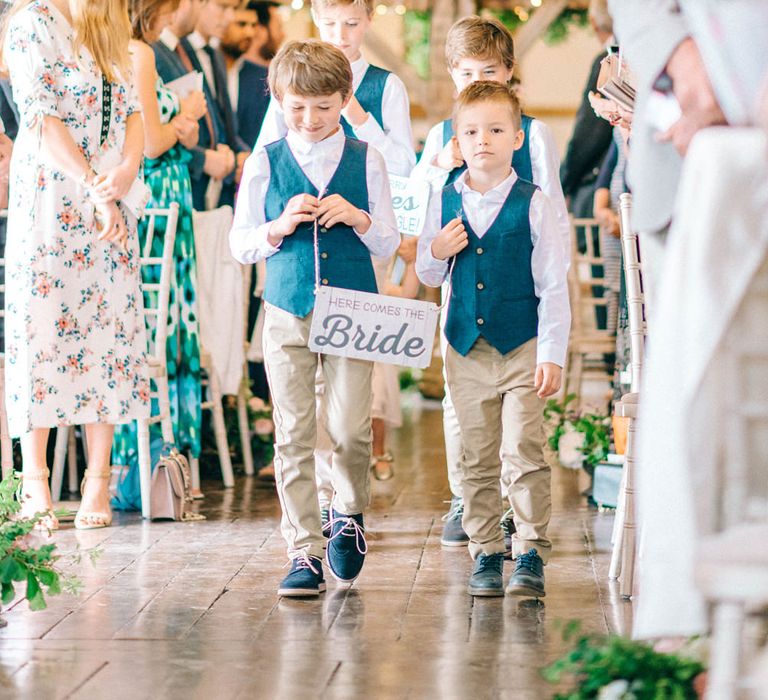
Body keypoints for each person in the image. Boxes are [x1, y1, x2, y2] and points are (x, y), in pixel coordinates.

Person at [229, 39, 399, 597]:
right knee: (293, 434)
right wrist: (276, 227)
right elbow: (241, 243)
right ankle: (302, 551)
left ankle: (346, 514)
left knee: (351, 430)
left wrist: (357, 217)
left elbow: (388, 243)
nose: (309, 118)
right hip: (286, 309)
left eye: (323, 107)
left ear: (343, 98)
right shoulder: (264, 160)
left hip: (353, 308)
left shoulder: (366, 157)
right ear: (279, 100)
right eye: (297, 106)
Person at [410, 15, 569, 548]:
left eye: (490, 71)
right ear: (453, 76)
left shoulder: (533, 134)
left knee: (520, 425)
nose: (479, 80)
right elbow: (419, 206)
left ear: (508, 73)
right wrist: (439, 163)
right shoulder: (442, 136)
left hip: (516, 282)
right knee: (463, 410)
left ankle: (517, 510)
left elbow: (551, 206)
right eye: (467, 72)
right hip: (461, 293)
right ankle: (468, 496)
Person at [2, 0, 150, 530]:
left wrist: (127, 171)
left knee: (105, 334)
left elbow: (133, 110)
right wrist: (95, 187)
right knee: (40, 331)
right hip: (50, 200)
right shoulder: (29, 22)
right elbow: (39, 121)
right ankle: (35, 482)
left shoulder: (107, 18)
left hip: (109, 196)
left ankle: (98, 481)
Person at [111, 0, 207, 496]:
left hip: (143, 196)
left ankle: (138, 469)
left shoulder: (107, 47)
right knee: (163, 322)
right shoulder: (140, 53)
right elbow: (150, 143)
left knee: (142, 323)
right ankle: (161, 466)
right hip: (159, 195)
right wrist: (186, 114)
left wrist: (181, 132)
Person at [255, 0, 415, 178]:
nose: (340, 35)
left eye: (352, 24)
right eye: (329, 23)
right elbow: (262, 160)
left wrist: (361, 122)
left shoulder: (388, 86)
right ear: (316, 18)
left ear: (369, 19)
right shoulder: (293, 78)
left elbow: (404, 168)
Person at [153, 0, 235, 212]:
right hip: (168, 186)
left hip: (192, 183)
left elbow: (211, 114)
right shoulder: (152, 52)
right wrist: (203, 159)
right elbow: (151, 135)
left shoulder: (177, 50)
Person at [182, 0, 250, 206]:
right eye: (223, 7)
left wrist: (243, 156)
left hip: (220, 194)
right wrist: (203, 159)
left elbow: (225, 125)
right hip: (189, 189)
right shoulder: (175, 52)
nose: (230, 17)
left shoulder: (216, 55)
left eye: (233, 9)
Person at [559, 0, 615, 217]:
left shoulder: (608, 62)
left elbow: (589, 133)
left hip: (603, 187)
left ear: (593, 23)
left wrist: (564, 183)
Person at [221, 0, 283, 148]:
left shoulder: (261, 76)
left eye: (253, 26)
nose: (250, 33)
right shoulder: (208, 68)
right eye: (241, 24)